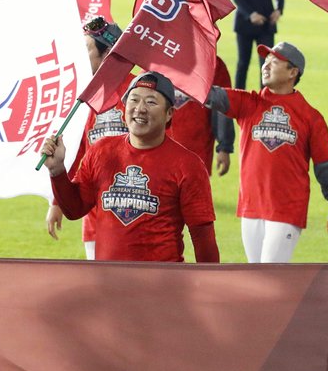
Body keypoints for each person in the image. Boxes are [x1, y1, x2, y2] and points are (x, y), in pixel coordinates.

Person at [40, 72, 220, 263]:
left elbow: (203, 237)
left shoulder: (187, 165)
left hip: (162, 287)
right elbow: (74, 209)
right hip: (108, 283)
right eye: (134, 100)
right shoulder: (101, 151)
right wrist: (57, 171)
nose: (140, 109)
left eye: (151, 102)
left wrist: (209, 284)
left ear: (169, 114)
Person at [206, 41, 328, 263]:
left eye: (274, 62)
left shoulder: (310, 116)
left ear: (293, 72)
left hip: (287, 209)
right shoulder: (249, 103)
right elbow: (209, 95)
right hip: (251, 207)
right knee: (258, 280)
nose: (266, 66)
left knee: (270, 277)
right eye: (265, 61)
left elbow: (326, 166)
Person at [44, 16, 133, 259]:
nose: (80, 57)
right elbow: (80, 151)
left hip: (135, 213)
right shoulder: (85, 97)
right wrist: (57, 202)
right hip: (95, 217)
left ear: (107, 55)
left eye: (87, 50)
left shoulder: (140, 94)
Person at [168, 56, 234, 176]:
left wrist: (224, 146)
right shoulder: (157, 57)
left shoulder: (214, 63)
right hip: (159, 148)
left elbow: (222, 106)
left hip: (198, 149)